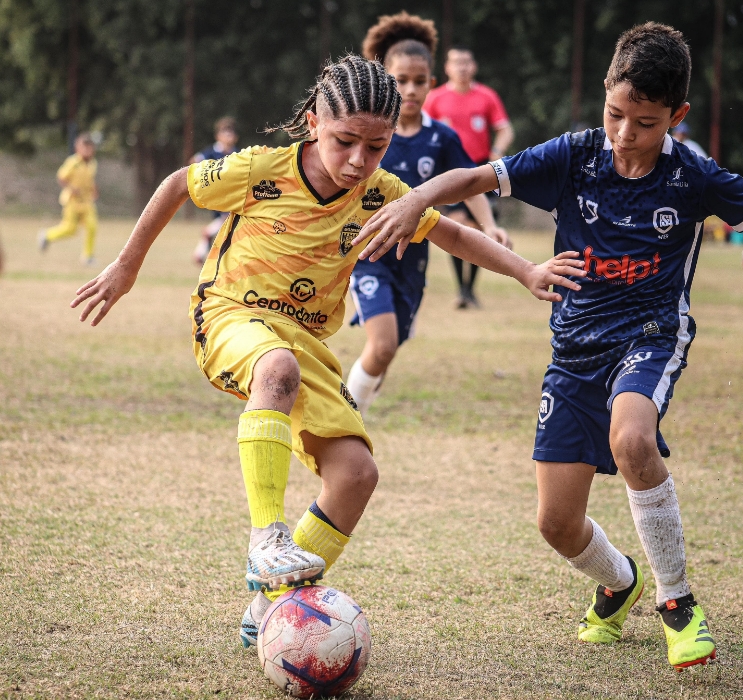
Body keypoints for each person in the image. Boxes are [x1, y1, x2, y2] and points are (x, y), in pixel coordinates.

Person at [353, 23, 743, 670]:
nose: (626, 135)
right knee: (556, 524)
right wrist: (419, 200)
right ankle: (619, 582)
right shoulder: (574, 155)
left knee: (632, 440)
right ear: (604, 96)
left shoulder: (692, 176)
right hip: (573, 348)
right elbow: (478, 176)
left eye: (646, 123)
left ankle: (677, 603)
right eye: (615, 115)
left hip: (650, 333)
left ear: (676, 117)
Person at [69, 55, 584, 649]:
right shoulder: (262, 170)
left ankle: (270, 606)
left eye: (377, 146)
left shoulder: (381, 194)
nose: (360, 161)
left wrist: (525, 270)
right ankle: (268, 541)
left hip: (303, 341)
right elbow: (177, 184)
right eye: (345, 142)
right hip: (230, 313)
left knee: (357, 474)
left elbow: (450, 232)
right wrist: (127, 265)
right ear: (313, 123)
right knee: (277, 367)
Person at [346, 12, 509, 415]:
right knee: (381, 344)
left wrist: (489, 225)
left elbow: (469, 183)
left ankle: (355, 403)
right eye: (401, 80)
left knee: (388, 350)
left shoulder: (441, 137)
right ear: (386, 80)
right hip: (368, 253)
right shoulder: (368, 132)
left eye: (420, 81)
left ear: (431, 84)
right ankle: (346, 423)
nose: (411, 89)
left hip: (413, 256)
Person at [423, 46, 514, 308]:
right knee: (458, 223)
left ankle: (468, 289)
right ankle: (462, 289)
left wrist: (496, 153)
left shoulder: (486, 96)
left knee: (480, 230)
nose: (462, 67)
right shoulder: (435, 98)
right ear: (447, 68)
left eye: (466, 61)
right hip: (451, 173)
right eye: (456, 62)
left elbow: (506, 130)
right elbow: (422, 131)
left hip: (479, 171)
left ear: (473, 66)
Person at [38, 134, 99, 265]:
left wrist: (94, 189)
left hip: (87, 201)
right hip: (72, 200)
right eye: (85, 148)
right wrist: (72, 188)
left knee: (92, 226)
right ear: (78, 148)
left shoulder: (93, 163)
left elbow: (90, 179)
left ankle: (88, 256)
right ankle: (47, 235)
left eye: (90, 148)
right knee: (70, 229)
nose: (87, 151)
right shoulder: (73, 162)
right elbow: (61, 177)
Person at [191, 117, 240, 265]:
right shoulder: (212, 152)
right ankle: (207, 249)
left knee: (227, 224)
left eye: (230, 133)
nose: (228, 136)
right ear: (218, 135)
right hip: (216, 195)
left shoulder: (237, 154)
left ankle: (202, 254)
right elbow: (194, 161)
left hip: (231, 195)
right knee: (224, 223)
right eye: (225, 133)